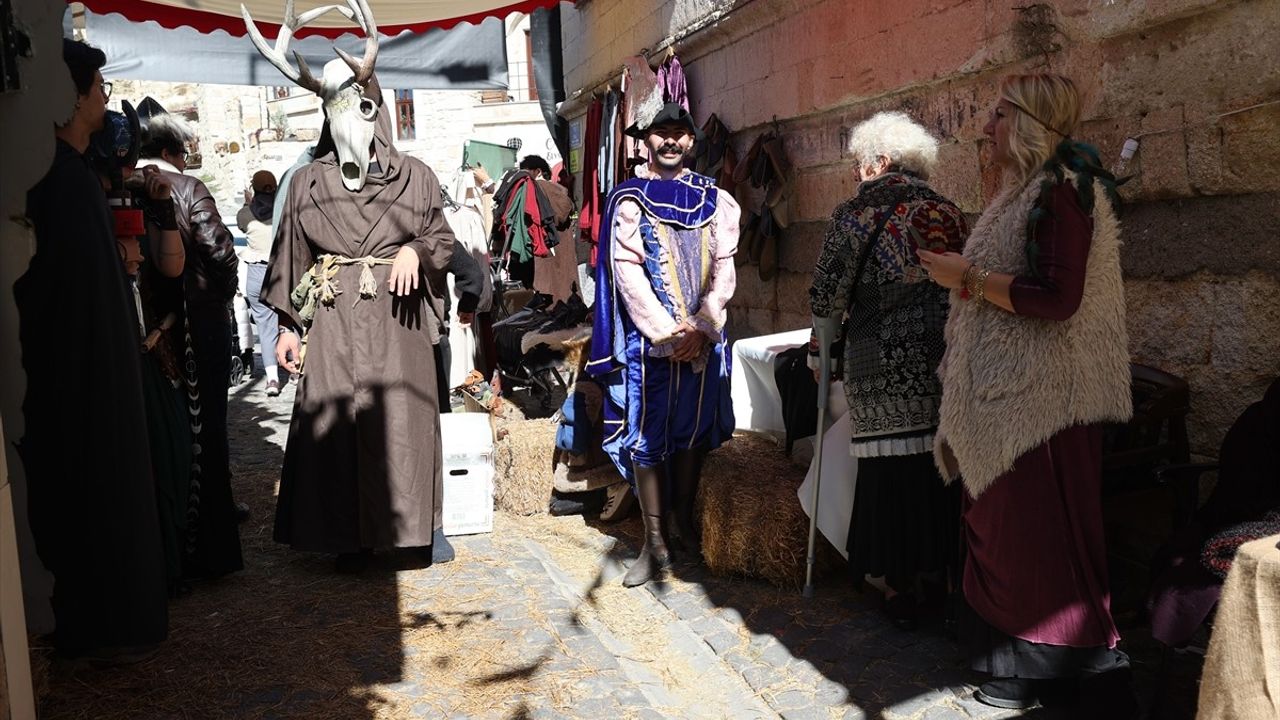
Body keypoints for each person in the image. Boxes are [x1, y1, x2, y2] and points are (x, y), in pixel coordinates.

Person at [918, 74, 1135, 712]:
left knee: (1033, 539)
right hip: (1010, 398)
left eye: (998, 115)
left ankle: (1045, 668)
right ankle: (1015, 663)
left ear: (1030, 121)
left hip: (1042, 406)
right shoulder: (1031, 189)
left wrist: (969, 276)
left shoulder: (1065, 190)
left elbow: (1058, 300)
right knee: (1010, 534)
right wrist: (964, 279)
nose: (987, 128)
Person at [262, 70, 457, 573]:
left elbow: (440, 236)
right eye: (339, 109)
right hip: (333, 322)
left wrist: (415, 249)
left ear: (377, 112)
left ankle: (412, 532)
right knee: (337, 421)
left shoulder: (415, 175)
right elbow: (291, 254)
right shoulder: (307, 181)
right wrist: (287, 326)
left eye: (361, 107)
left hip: (399, 321)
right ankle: (345, 536)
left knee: (401, 423)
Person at [15, 39, 168, 659]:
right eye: (98, 89)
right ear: (71, 97)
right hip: (81, 387)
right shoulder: (59, 180)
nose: (107, 100)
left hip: (93, 377)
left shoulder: (72, 176)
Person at [808, 111, 969, 630]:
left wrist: (820, 354)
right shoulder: (951, 212)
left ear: (879, 161)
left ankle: (896, 582)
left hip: (881, 368)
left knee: (889, 473)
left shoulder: (855, 214)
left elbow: (826, 296)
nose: (856, 174)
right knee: (937, 468)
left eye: (859, 163)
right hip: (945, 360)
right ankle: (941, 574)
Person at [586, 102, 739, 587]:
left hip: (701, 340)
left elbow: (725, 268)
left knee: (692, 431)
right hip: (651, 346)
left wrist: (703, 326)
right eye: (661, 134)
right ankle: (654, 545)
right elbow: (626, 271)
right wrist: (668, 332)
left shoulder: (716, 198)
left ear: (691, 143)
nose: (670, 141)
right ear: (646, 142)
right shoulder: (628, 199)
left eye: (679, 134)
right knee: (649, 437)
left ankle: (681, 529)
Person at [139, 110, 245, 580]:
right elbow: (220, 250)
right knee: (209, 431)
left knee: (168, 434)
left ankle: (175, 544)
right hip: (193, 325)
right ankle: (211, 548)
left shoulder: (126, 183)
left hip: (147, 327)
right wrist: (219, 299)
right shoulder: (186, 187)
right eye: (183, 152)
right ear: (169, 153)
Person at [237, 170, 283, 396]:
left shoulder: (246, 214)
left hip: (257, 272)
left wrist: (249, 203)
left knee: (265, 326)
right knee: (292, 319)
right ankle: (295, 370)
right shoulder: (284, 208)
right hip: (283, 271)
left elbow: (243, 226)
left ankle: (272, 379)